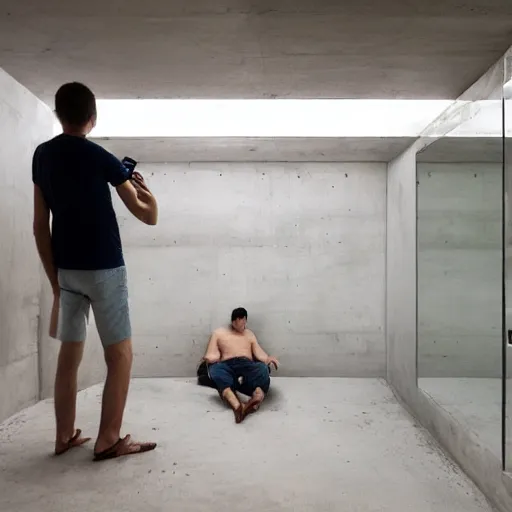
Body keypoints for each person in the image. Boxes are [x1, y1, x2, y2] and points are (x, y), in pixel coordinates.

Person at [32, 82, 158, 461]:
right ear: (92, 118)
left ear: (58, 114)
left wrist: (55, 283)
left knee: (68, 357)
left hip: (67, 272)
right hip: (105, 270)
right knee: (119, 356)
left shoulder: (42, 155)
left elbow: (40, 226)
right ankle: (108, 439)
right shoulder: (102, 158)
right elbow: (145, 215)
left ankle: (63, 437)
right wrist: (149, 195)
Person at [203, 307, 279, 423]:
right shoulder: (219, 333)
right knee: (215, 369)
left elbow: (258, 352)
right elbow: (211, 354)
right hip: (227, 364)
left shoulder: (249, 334)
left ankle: (256, 398)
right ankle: (237, 405)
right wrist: (210, 358)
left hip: (247, 364)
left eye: (243, 322)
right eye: (238, 322)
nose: (242, 325)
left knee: (262, 368)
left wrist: (268, 358)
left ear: (245, 320)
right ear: (233, 321)